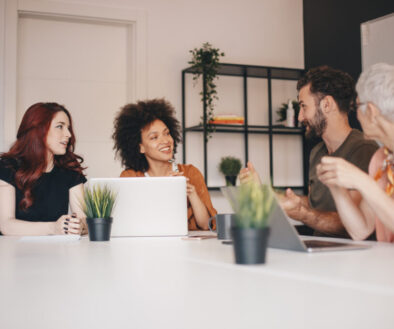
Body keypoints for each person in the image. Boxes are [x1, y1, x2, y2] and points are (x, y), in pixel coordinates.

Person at [240, 66, 378, 237]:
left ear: (326, 104)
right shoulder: (317, 152)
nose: (300, 117)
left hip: (353, 257)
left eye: (304, 107)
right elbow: (315, 206)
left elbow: (351, 224)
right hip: (320, 253)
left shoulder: (364, 150)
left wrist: (301, 213)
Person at [317, 63, 394, 242]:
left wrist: (362, 181)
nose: (356, 115)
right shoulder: (380, 159)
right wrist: (336, 188)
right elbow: (361, 230)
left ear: (372, 112)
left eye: (358, 106)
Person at [112, 98, 216, 230]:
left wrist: (192, 193)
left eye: (166, 133)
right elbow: (128, 223)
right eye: (154, 137)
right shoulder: (130, 177)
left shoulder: (190, 172)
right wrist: (163, 190)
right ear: (140, 147)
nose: (165, 140)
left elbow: (206, 225)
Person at [0, 102, 87, 235]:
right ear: (38, 130)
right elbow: (6, 225)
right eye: (60, 127)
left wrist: (79, 226)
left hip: (56, 252)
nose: (68, 134)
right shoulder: (7, 166)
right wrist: (53, 228)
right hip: (13, 252)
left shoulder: (70, 169)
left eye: (68, 128)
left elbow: (84, 221)